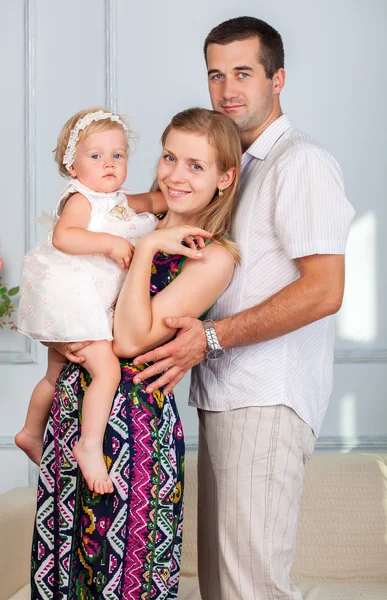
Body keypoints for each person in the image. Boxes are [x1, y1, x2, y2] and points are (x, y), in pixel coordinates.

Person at [131, 17, 356, 600]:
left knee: (249, 588)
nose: (228, 89)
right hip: (227, 396)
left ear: (277, 79)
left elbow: (324, 289)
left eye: (243, 72)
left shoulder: (299, 163)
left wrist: (207, 339)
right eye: (215, 74)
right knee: (224, 588)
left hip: (266, 397)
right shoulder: (236, 168)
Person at [30, 107, 242, 598]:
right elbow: (68, 293)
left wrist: (146, 249)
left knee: (122, 578)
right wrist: (58, 332)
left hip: (134, 434)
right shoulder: (127, 217)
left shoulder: (212, 255)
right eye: (170, 157)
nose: (174, 174)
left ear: (224, 178)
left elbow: (127, 340)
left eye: (196, 165)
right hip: (74, 418)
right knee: (66, 574)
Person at [16, 108, 166, 494]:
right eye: (95, 156)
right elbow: (64, 237)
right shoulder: (81, 199)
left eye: (118, 155)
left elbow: (154, 200)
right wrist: (111, 242)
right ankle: (89, 445)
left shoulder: (117, 199)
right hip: (73, 298)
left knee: (53, 375)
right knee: (108, 372)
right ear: (72, 165)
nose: (109, 164)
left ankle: (31, 432)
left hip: (78, 300)